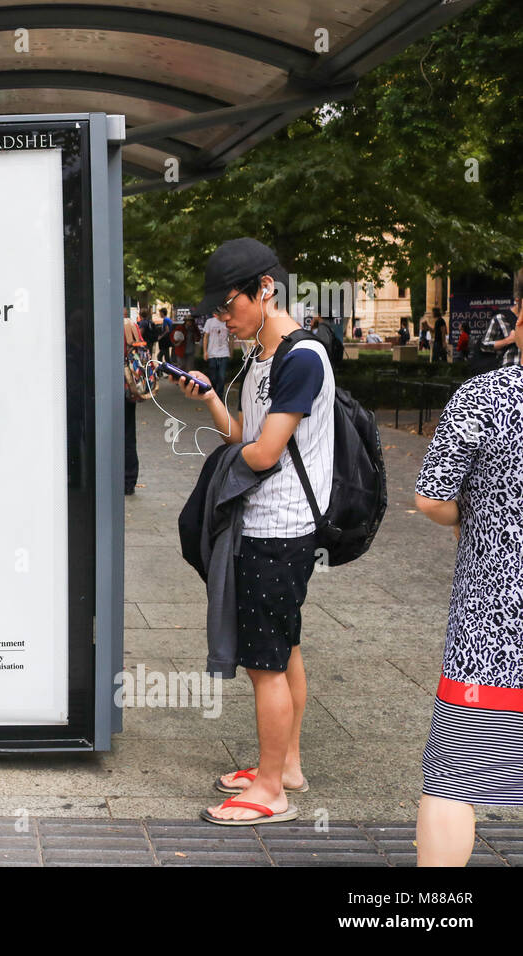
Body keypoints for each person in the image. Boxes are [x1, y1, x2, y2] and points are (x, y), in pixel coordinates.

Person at [174, 238, 335, 826]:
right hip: (266, 524)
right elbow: (243, 431)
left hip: (279, 526)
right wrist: (214, 399)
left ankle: (271, 790)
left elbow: (264, 453)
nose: (224, 316)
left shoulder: (302, 358)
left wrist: (226, 465)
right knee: (284, 648)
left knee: (264, 661)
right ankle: (285, 764)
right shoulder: (265, 358)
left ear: (265, 288)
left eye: (229, 304)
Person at [413, 362, 523, 864]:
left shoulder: (487, 395)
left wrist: (473, 514)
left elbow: (432, 497)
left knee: (454, 777)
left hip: (492, 621)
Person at [123, 311, 143, 495]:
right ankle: (129, 480)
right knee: (129, 434)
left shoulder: (111, 327)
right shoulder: (132, 325)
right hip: (130, 385)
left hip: (115, 384)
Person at [480, 297, 521, 368]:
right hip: (509, 371)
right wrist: (509, 340)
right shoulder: (500, 318)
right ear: (518, 300)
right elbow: (484, 345)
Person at [202, 309, 231, 398]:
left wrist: (231, 350)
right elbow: (206, 337)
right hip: (212, 353)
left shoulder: (228, 323)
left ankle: (219, 397)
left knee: (222, 377)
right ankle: (213, 394)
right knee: (213, 378)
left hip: (224, 352)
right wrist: (205, 351)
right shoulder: (210, 322)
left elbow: (231, 338)